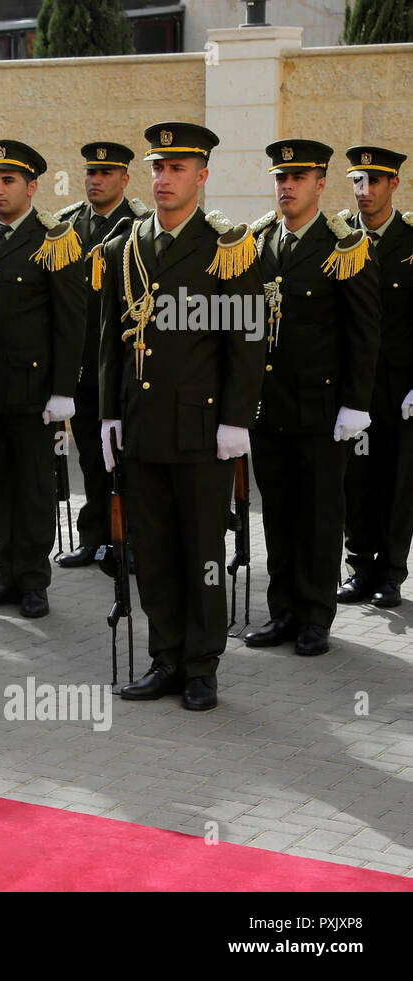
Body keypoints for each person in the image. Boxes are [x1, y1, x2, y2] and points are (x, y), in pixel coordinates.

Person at [98, 122, 266, 711]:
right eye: (157, 167)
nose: (163, 179)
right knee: (155, 551)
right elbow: (111, 341)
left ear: (202, 175)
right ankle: (165, 656)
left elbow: (246, 338)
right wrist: (108, 416)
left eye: (176, 168)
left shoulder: (226, 246)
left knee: (202, 553)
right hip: (142, 427)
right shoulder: (127, 245)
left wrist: (236, 420)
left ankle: (201, 665)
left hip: (200, 430)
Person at [243, 140, 380, 656]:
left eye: (298, 178)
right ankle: (283, 612)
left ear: (321, 184)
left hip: (322, 410)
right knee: (277, 513)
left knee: (320, 515)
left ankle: (316, 617)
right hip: (269, 406)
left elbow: (364, 330)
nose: (286, 187)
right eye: (281, 178)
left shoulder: (345, 245)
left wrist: (356, 403)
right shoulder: (257, 242)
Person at [0, 140, 86, 618]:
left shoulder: (55, 240)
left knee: (33, 487)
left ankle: (33, 580)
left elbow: (70, 321)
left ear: (32, 187)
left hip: (33, 392)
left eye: (8, 181)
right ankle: (3, 573)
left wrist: (63, 391)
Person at [54, 142, 151, 569]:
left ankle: (127, 538)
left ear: (124, 180)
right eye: (91, 173)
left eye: (106, 174)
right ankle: (93, 535)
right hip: (82, 366)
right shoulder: (66, 226)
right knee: (91, 456)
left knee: (125, 458)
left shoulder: (140, 226)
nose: (96, 180)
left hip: (125, 367)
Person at [340, 144, 413, 609]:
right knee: (353, 479)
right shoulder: (339, 237)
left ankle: (390, 573)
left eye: (374, 182)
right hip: (351, 387)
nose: (363, 191)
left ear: (394, 185)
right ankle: (358, 568)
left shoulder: (411, 240)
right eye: (357, 182)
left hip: (399, 389)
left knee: (397, 481)